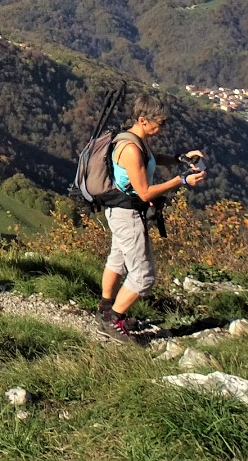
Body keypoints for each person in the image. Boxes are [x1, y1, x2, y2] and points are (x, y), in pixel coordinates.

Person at [98, 92, 205, 344]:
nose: (162, 127)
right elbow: (145, 191)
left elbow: (152, 161)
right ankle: (113, 319)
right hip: (127, 214)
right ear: (143, 119)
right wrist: (181, 180)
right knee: (144, 276)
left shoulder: (134, 138)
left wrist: (180, 159)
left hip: (119, 210)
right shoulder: (131, 149)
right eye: (159, 122)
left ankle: (104, 309)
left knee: (118, 259)